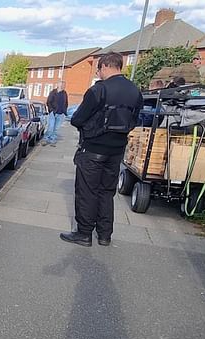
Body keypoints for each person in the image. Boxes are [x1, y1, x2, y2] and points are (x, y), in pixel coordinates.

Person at [61, 52, 143, 247]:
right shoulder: (135, 91)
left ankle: (84, 233)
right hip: (116, 151)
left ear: (105, 66)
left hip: (93, 149)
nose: (98, 73)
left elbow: (77, 118)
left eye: (99, 69)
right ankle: (105, 235)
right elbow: (135, 120)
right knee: (106, 192)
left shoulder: (99, 90)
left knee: (87, 191)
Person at [42, 81, 68, 146]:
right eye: (61, 85)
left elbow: (66, 103)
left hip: (61, 113)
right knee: (51, 127)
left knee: (56, 128)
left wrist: (64, 111)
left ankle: (52, 140)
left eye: (64, 85)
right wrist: (51, 110)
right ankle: (46, 139)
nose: (62, 86)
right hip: (53, 113)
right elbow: (48, 102)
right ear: (58, 85)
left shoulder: (64, 93)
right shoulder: (53, 93)